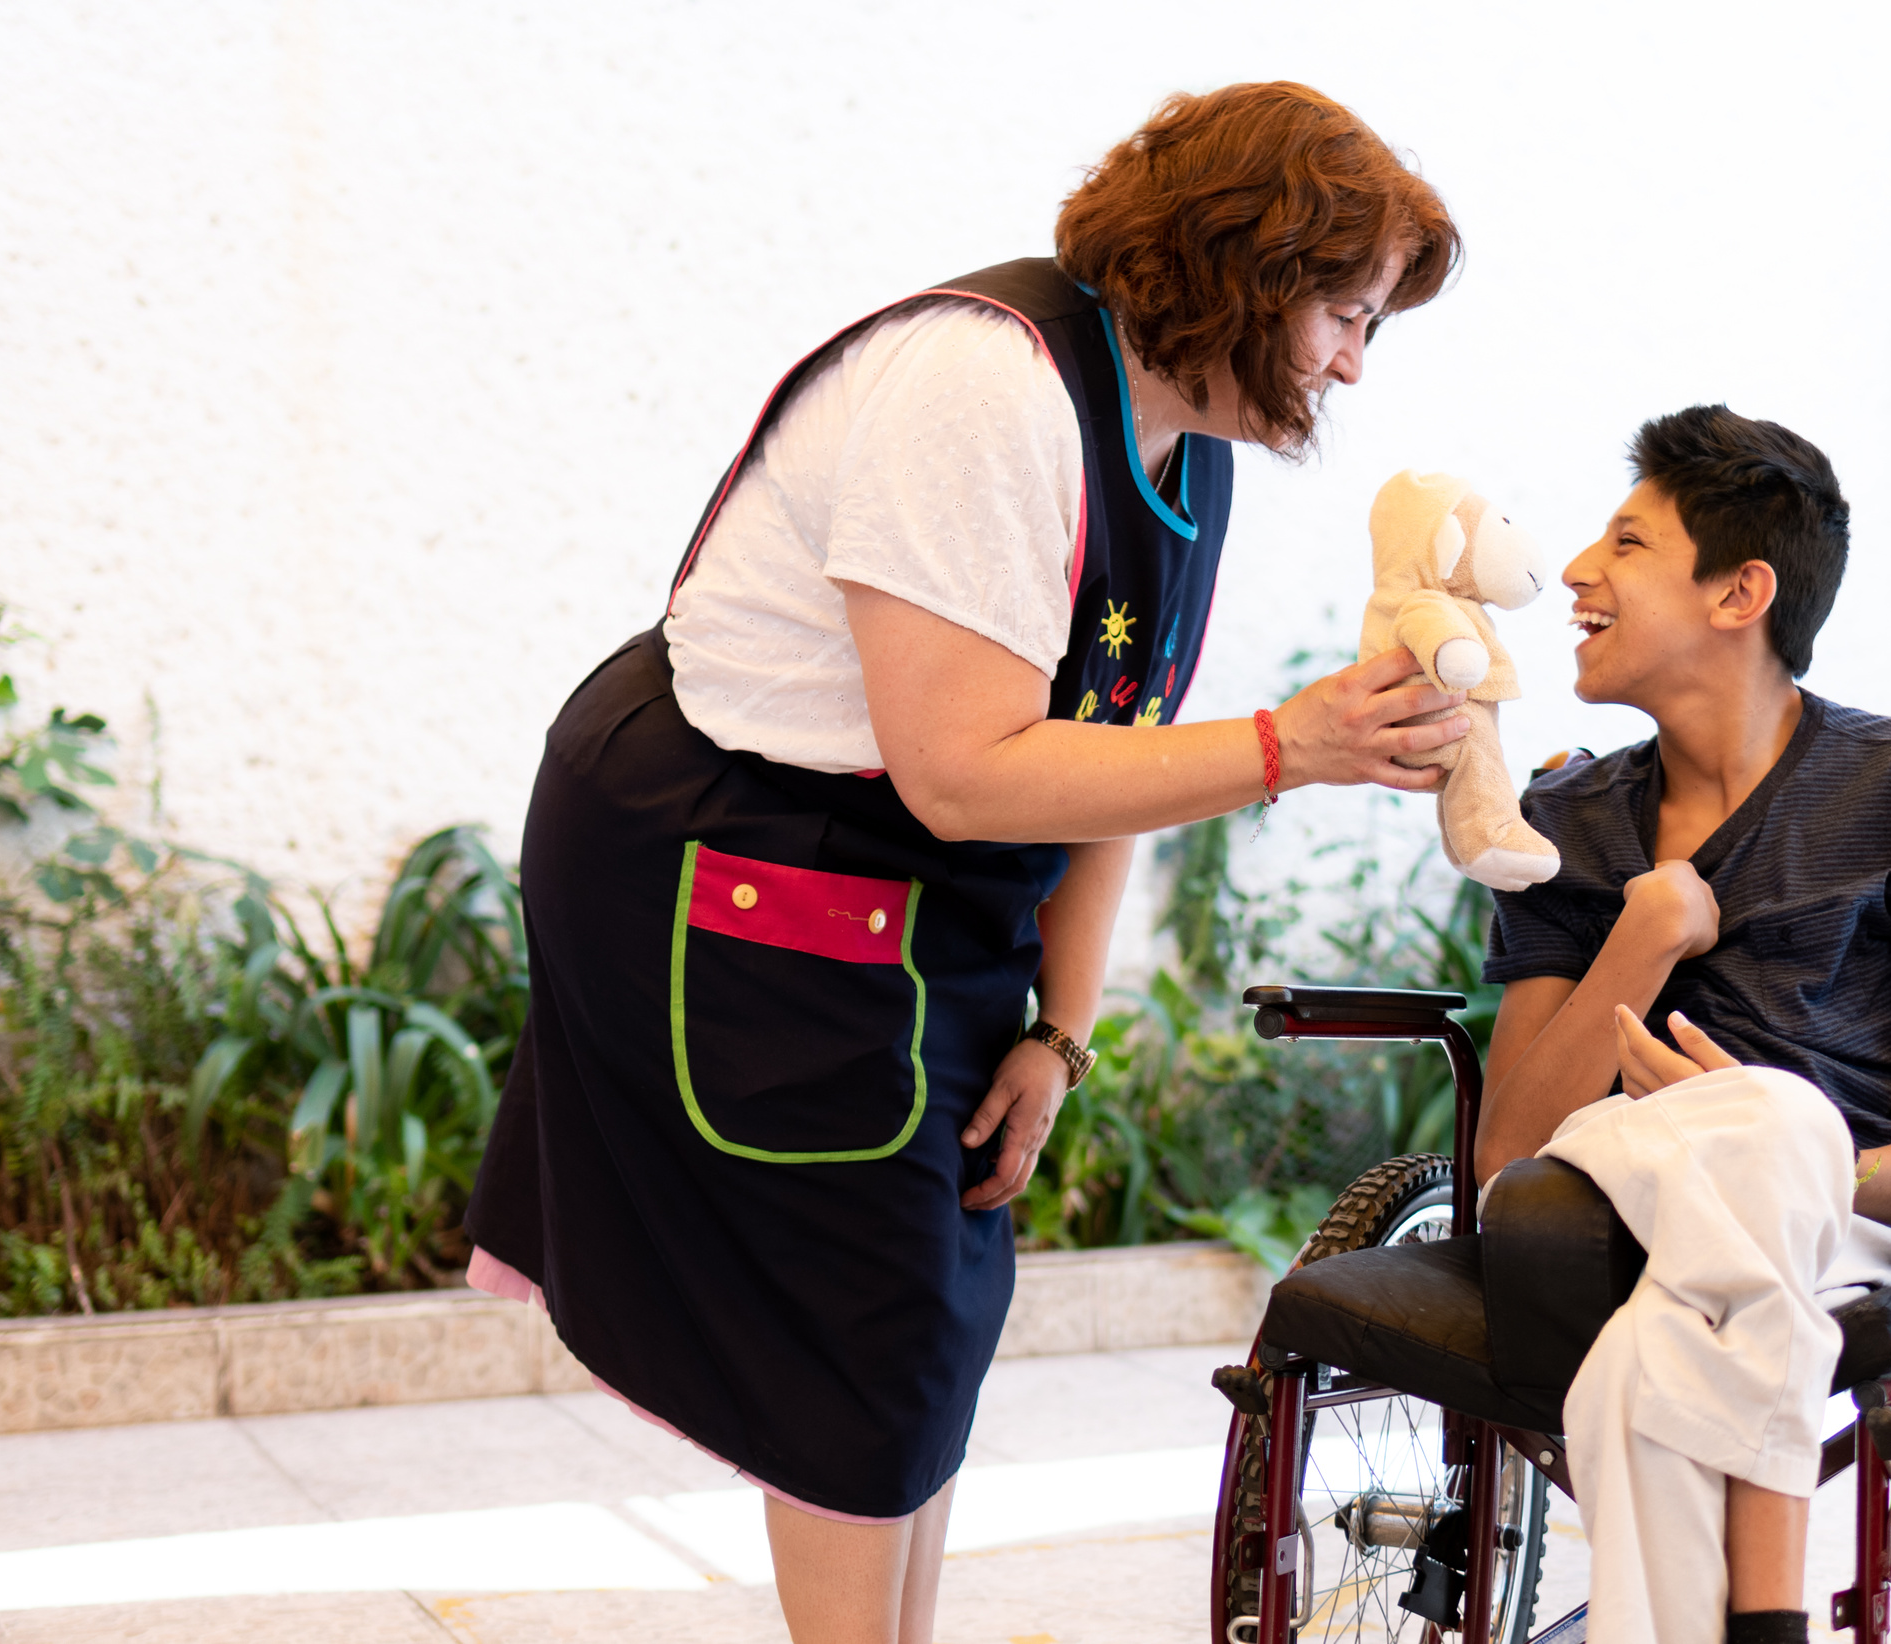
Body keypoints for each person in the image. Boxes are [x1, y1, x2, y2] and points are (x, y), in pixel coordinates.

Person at [461, 82, 1469, 1644]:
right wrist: (1298, 745)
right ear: (1241, 271)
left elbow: (1111, 748)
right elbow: (962, 767)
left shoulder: (1181, 432)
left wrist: (1058, 1032)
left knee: (932, 1318)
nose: (1349, 362)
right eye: (1342, 313)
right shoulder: (981, 392)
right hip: (738, 857)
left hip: (924, 871)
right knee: (861, 1323)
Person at [1474, 405, 1891, 1644]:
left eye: (1625, 543)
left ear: (1739, 594)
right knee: (1753, 1120)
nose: (1571, 572)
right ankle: (1769, 1613)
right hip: (1605, 1188)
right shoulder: (1570, 821)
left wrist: (1765, 1150)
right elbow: (1506, 1151)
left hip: (1846, 1225)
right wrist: (1646, 933)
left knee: (1651, 1351)